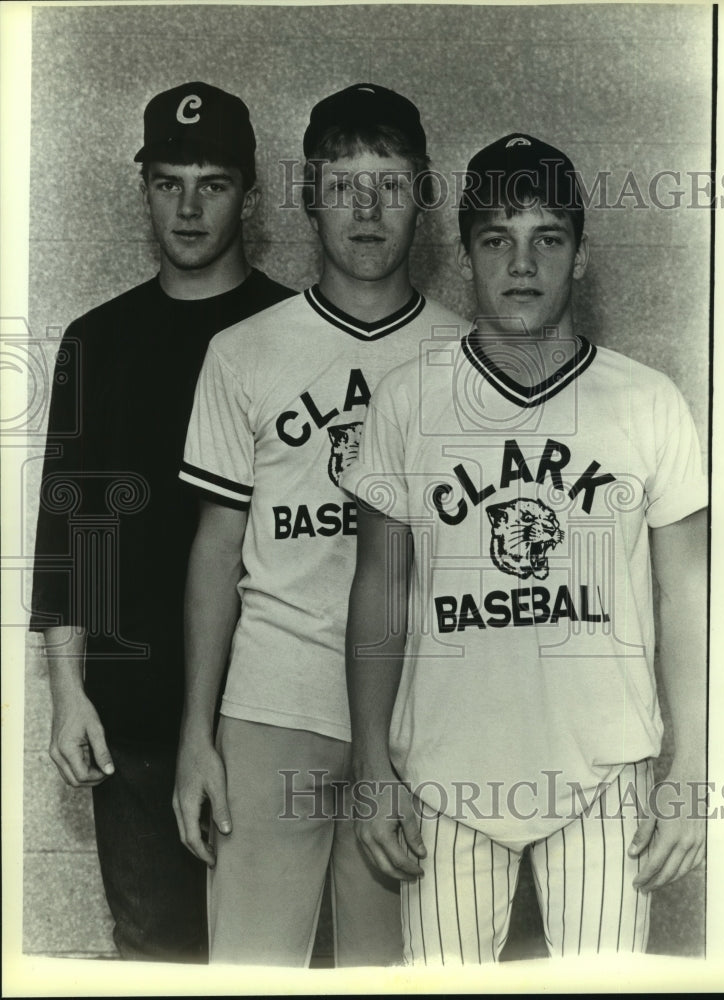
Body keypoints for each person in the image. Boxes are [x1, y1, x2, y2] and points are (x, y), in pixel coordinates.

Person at [343, 132, 709, 963]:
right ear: (465, 256)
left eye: (547, 238)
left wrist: (688, 772)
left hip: (606, 767)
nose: (521, 263)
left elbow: (687, 600)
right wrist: (372, 767)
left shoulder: (647, 401)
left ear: (579, 258)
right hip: (445, 770)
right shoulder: (408, 400)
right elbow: (377, 595)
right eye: (495, 239)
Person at [172, 82, 466, 967]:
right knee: (249, 971)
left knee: (394, 973)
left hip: (422, 711)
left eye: (388, 183)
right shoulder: (243, 351)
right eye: (343, 185)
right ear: (307, 196)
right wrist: (196, 735)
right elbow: (217, 549)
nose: (366, 210)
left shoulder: (468, 356)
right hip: (274, 703)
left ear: (423, 194)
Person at [29, 81, 294, 963]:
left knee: (284, 964)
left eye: (212, 182)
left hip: (269, 712)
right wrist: (70, 691)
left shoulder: (290, 330)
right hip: (135, 720)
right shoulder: (98, 340)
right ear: (142, 186)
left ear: (249, 194)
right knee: (156, 958)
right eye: (168, 180)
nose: (187, 205)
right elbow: (75, 533)